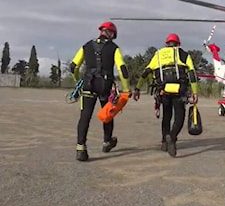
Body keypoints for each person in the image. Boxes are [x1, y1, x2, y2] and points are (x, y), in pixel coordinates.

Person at [70, 21, 131, 162]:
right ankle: (107, 142)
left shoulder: (86, 46)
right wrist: (126, 88)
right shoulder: (114, 48)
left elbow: (74, 66)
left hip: (88, 84)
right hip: (105, 85)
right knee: (108, 113)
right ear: (111, 34)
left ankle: (81, 149)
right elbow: (123, 69)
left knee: (85, 116)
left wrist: (77, 80)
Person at [132, 33, 198, 157]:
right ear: (178, 44)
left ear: (166, 43)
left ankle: (164, 142)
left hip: (163, 91)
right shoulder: (183, 54)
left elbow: (146, 72)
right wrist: (195, 92)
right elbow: (192, 74)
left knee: (166, 116)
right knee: (179, 117)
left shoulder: (158, 54)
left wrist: (137, 88)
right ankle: (172, 138)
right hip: (180, 91)